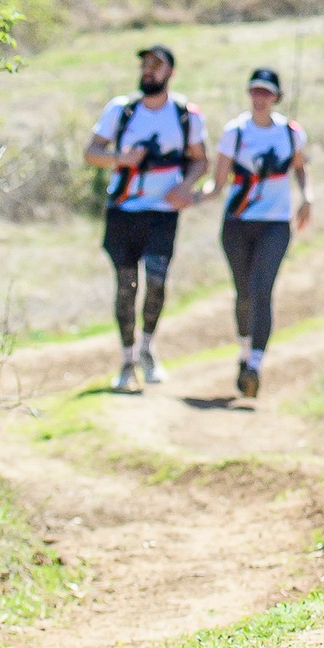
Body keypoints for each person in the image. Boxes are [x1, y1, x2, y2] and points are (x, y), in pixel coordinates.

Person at [84, 45, 206, 394]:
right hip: (122, 211)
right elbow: (91, 153)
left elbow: (200, 160)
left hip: (162, 214)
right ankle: (126, 361)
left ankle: (147, 349)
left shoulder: (185, 114)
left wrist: (185, 186)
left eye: (157, 65)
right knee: (126, 286)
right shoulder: (121, 110)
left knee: (155, 279)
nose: (149, 71)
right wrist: (121, 159)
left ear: (170, 72)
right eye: (145, 65)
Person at [203, 66, 311, 400]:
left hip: (276, 224)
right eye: (255, 91)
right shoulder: (234, 132)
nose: (260, 98)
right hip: (236, 224)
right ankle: (244, 352)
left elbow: (300, 168)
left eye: (266, 92)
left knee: (262, 290)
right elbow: (217, 183)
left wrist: (307, 198)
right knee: (244, 293)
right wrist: (190, 196)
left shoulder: (291, 133)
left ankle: (255, 365)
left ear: (277, 97)